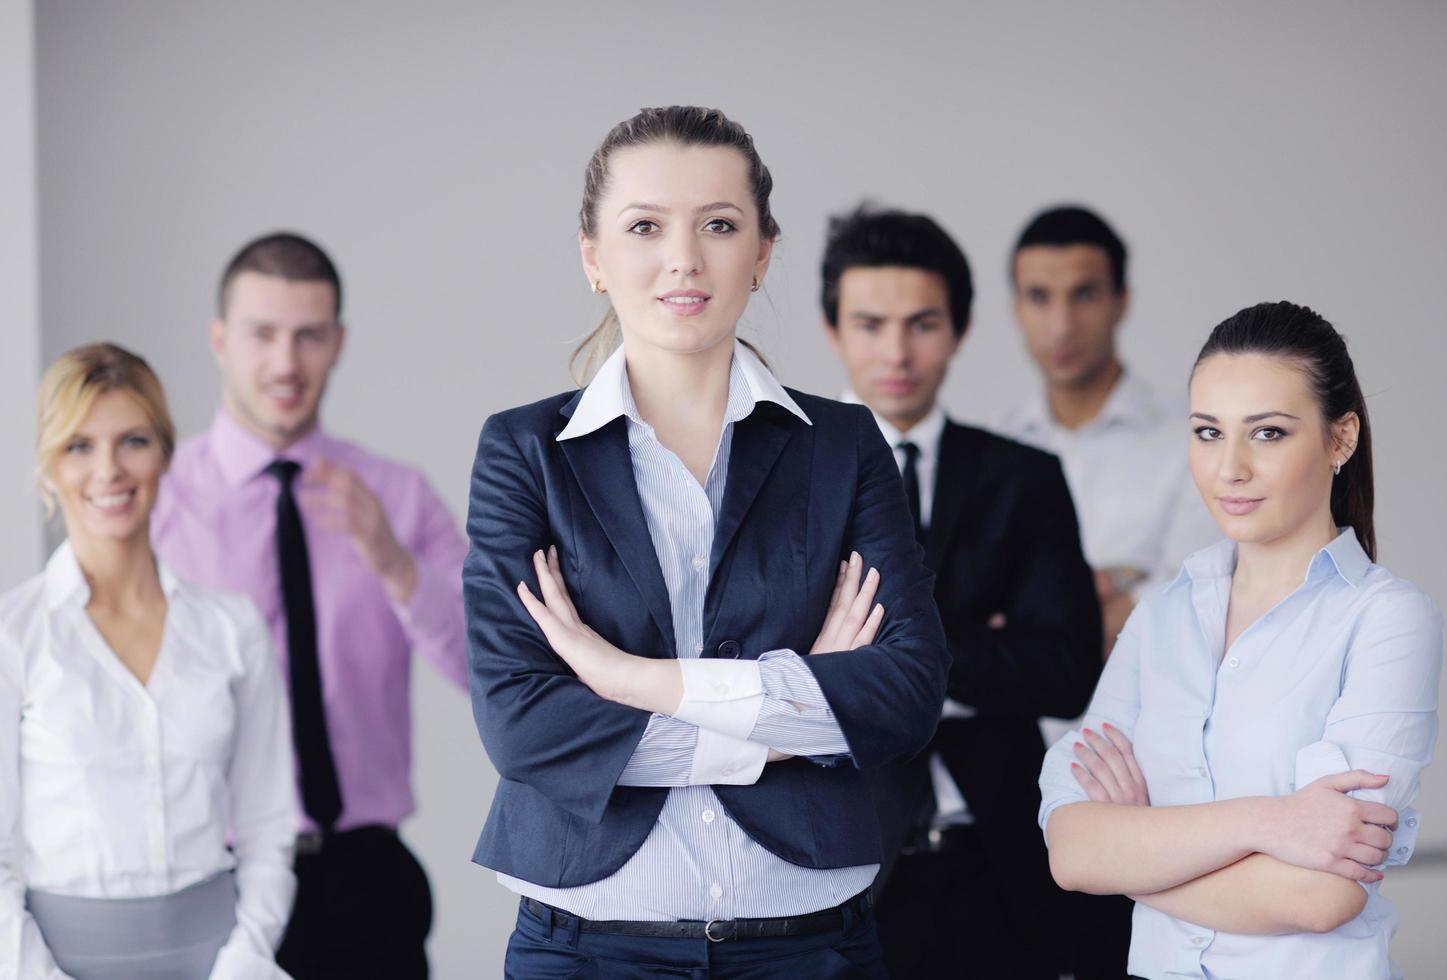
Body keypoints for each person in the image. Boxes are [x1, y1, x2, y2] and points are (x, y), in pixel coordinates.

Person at [464, 106, 949, 979]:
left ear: (762, 254)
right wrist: (787, 722)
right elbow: (523, 724)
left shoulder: (844, 445)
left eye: (719, 226)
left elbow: (905, 692)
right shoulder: (523, 453)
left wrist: (634, 684)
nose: (683, 259)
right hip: (586, 953)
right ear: (592, 257)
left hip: (813, 951)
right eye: (644, 226)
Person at [1039, 301, 1441, 980]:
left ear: (1340, 438)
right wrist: (1272, 822)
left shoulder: (1388, 620)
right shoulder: (1161, 616)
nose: (1229, 469)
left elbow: (1320, 896)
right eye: (1207, 432)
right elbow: (1072, 852)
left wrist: (1138, 856)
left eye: (1269, 434)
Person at [151, 233, 469, 979]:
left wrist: (394, 563)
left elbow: (485, 666)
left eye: (309, 336)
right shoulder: (158, 501)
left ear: (339, 342)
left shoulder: (397, 496)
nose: (286, 364)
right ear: (220, 340)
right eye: (263, 335)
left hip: (365, 879)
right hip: (207, 875)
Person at [818, 205, 1100, 978]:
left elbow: (1068, 667)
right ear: (833, 328)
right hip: (840, 870)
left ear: (961, 329)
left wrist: (884, 655)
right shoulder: (788, 481)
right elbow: (777, 674)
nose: (897, 351)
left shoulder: (1021, 476)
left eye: (923, 323)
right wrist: (980, 646)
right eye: (870, 323)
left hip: (999, 868)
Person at [0, 343, 297, 979]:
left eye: (132, 440)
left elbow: (269, 829)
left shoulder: (232, 628)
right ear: (49, 467)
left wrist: (242, 962)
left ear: (165, 453)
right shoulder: (12, 636)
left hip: (221, 961)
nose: (108, 469)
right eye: (79, 445)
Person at [993, 205, 1218, 976]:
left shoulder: (1188, 442)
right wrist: (1115, 583)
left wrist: (1028, 618)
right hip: (1015, 789)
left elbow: (1187, 613)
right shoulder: (999, 456)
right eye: (1038, 296)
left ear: (1120, 300)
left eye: (1083, 293)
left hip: (1151, 788)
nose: (1060, 321)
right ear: (1016, 305)